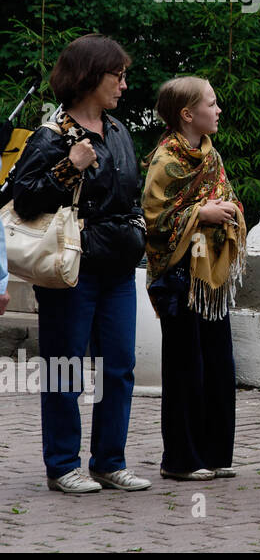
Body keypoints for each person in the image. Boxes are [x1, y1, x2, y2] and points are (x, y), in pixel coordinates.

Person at [9, 34, 150, 494]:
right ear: (90, 77)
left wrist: (139, 233)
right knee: (65, 367)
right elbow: (25, 201)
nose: (124, 85)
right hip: (72, 269)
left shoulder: (120, 131)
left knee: (119, 366)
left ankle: (109, 461)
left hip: (118, 268)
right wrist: (69, 166)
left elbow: (131, 194)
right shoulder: (51, 137)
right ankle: (63, 464)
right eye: (118, 75)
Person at [142, 76, 245, 482]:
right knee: (186, 365)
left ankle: (215, 453)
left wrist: (228, 210)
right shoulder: (165, 160)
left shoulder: (211, 155)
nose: (218, 110)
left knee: (218, 362)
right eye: (212, 104)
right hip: (179, 279)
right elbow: (154, 218)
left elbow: (230, 196)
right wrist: (200, 215)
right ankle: (181, 459)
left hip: (210, 280)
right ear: (188, 114)